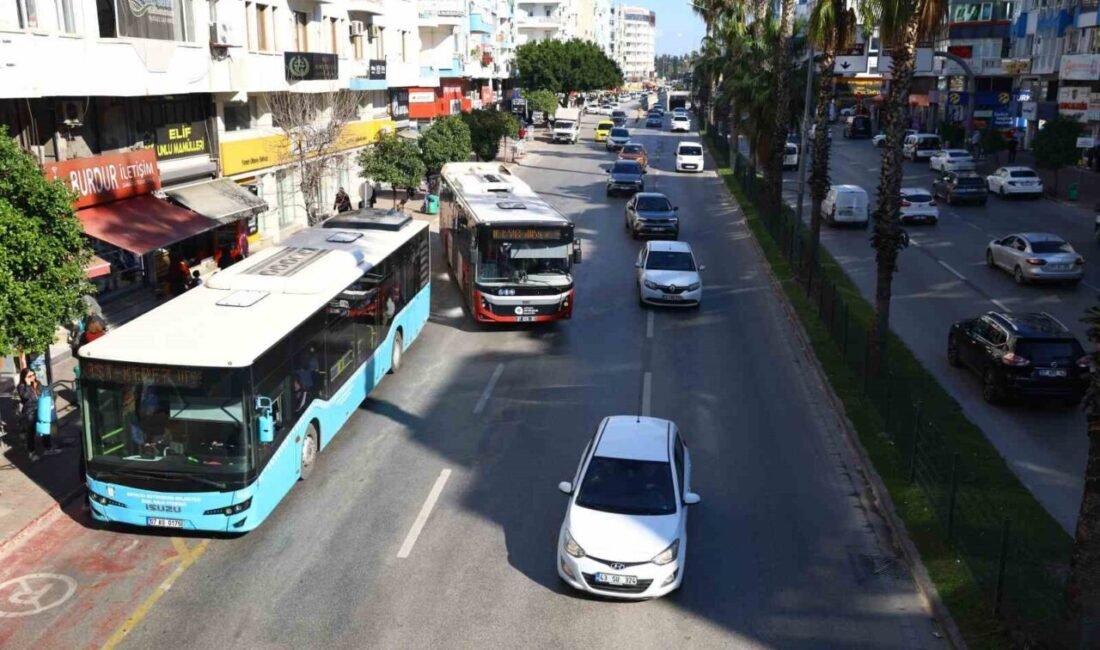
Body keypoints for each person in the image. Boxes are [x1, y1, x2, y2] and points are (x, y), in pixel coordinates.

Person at [16, 368, 57, 461]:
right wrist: (27, 385)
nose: (33, 377)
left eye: (33, 375)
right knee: (31, 429)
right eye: (29, 376)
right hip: (29, 409)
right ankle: (31, 452)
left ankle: (48, 448)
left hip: (40, 407)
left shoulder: (37, 383)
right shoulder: (21, 386)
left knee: (45, 425)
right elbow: (25, 396)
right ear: (24, 377)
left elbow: (44, 392)